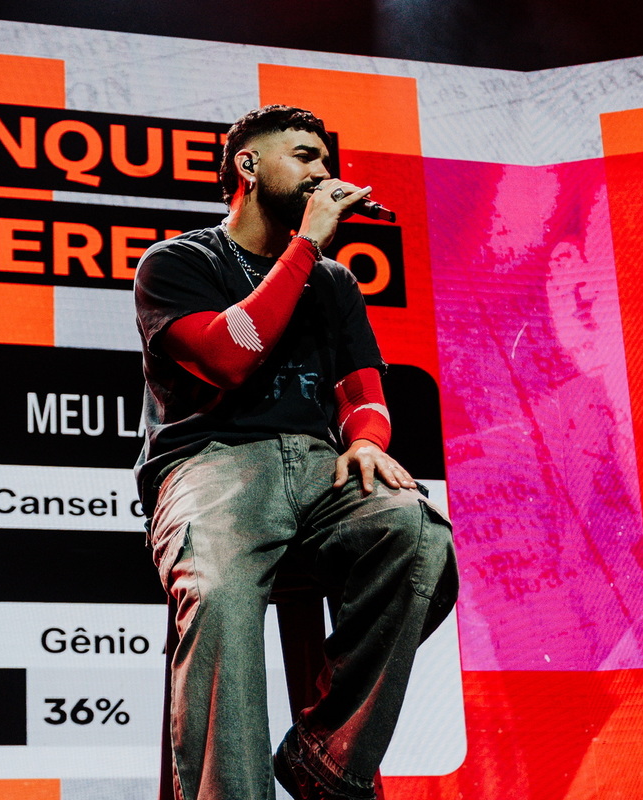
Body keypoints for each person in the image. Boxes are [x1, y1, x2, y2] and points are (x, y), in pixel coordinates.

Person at [133, 105, 458, 800]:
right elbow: (230, 355)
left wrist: (366, 441)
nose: (323, 173)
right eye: (305, 156)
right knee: (218, 593)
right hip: (212, 467)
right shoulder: (178, 262)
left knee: (418, 535)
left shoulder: (334, 281)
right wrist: (307, 243)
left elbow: (363, 391)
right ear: (248, 165)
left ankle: (326, 756)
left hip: (317, 470)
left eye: (325, 160)